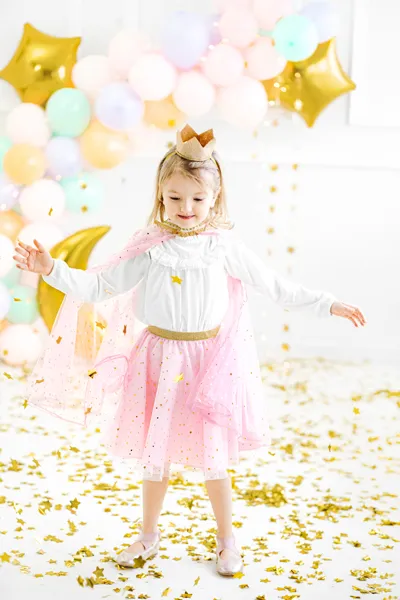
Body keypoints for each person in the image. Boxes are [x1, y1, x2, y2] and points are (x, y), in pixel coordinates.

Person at [13, 124, 366, 577]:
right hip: (158, 360)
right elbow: (100, 286)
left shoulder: (223, 248)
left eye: (198, 198)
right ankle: (148, 535)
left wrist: (327, 303)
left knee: (213, 460)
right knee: (155, 456)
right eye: (175, 197)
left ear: (214, 199)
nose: (186, 207)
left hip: (208, 364)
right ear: (161, 196)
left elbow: (275, 286)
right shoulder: (150, 249)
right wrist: (52, 269)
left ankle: (226, 540)